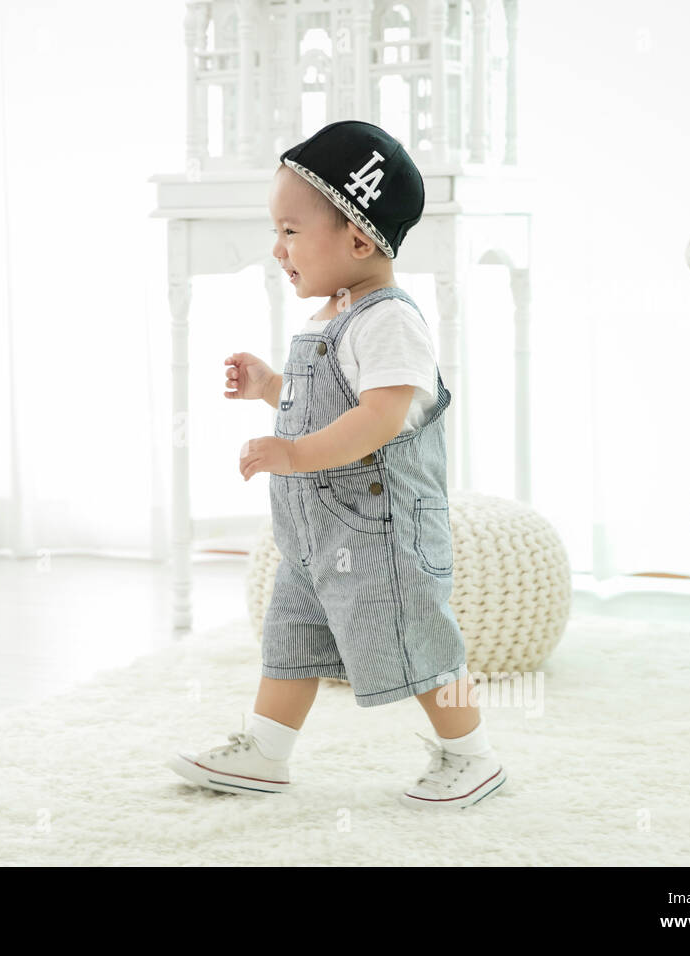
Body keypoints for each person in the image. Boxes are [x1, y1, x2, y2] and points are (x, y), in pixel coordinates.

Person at [165, 120, 506, 809]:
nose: (276, 247)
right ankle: (265, 749)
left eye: (290, 231)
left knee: (420, 642)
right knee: (288, 639)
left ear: (356, 237)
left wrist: (290, 453)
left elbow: (378, 419)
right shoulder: (329, 316)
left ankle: (472, 755)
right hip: (315, 539)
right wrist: (271, 388)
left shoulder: (388, 320)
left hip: (380, 538)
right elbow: (327, 404)